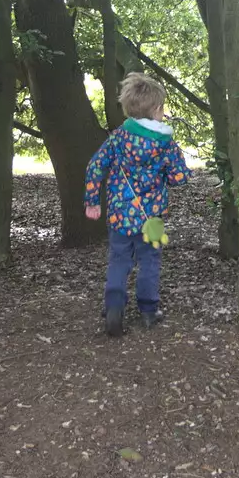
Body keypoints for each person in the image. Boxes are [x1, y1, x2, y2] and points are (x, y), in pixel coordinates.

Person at [84, 72, 189, 336]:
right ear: (155, 110)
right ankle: (148, 310)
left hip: (120, 215)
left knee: (119, 259)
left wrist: (92, 201)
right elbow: (179, 178)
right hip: (151, 218)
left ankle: (114, 307)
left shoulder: (119, 137)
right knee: (150, 260)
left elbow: (96, 165)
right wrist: (168, 174)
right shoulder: (166, 144)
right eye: (162, 108)